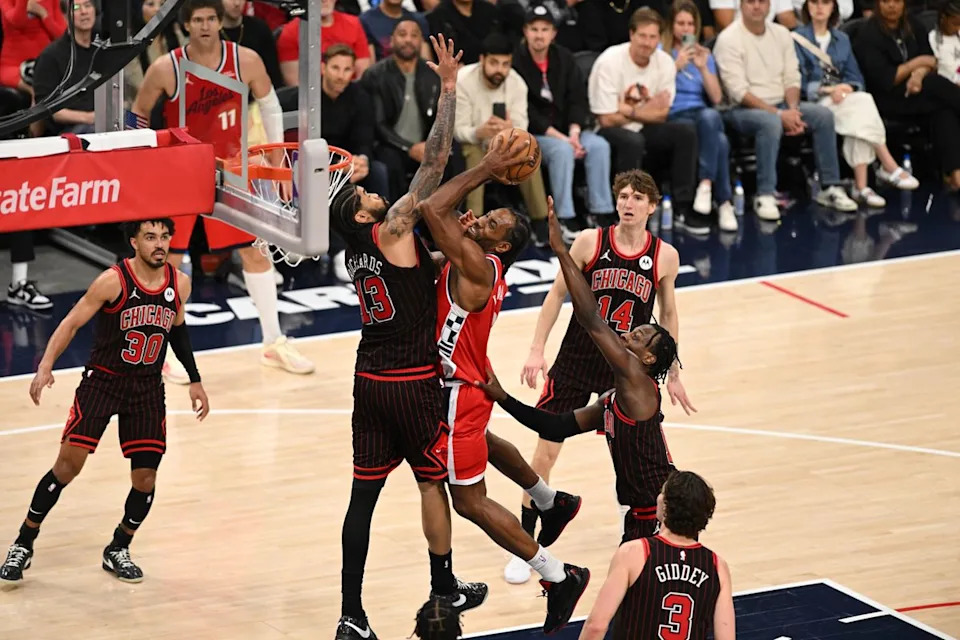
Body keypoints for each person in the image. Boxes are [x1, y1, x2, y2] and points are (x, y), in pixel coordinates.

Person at [328, 35, 487, 640]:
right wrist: (448, 87)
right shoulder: (393, 227)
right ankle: (443, 584)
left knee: (361, 500)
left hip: (367, 381)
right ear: (368, 216)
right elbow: (436, 160)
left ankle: (351, 614)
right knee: (430, 482)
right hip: (411, 381)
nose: (374, 190)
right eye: (366, 195)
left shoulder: (360, 254)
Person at [414, 131, 591, 636]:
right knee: (484, 445)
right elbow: (439, 233)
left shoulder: (475, 264)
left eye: (492, 222)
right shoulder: (479, 260)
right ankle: (549, 497)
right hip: (470, 389)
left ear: (504, 245)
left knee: (468, 500)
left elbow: (430, 208)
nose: (482, 218)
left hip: (455, 395)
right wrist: (463, 231)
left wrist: (488, 167)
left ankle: (557, 575)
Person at [0, 219, 210, 585]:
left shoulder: (180, 283)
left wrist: (195, 380)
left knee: (145, 477)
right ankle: (24, 541)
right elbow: (71, 323)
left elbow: (178, 331)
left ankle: (118, 547)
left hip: (146, 389)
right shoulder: (113, 281)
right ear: (134, 242)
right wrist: (44, 367)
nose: (159, 244)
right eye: (150, 237)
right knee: (68, 466)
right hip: (103, 383)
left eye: (164, 237)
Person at [510, 170, 694, 584]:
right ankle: (525, 545)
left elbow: (667, 316)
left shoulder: (665, 255)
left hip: (626, 371)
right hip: (578, 357)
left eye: (637, 198)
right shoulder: (591, 242)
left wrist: (673, 370)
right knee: (544, 455)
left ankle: (635, 522)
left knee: (632, 457)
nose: (628, 203)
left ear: (652, 205)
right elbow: (557, 295)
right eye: (623, 196)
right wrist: (537, 349)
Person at [479, 198, 681, 545]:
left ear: (648, 359)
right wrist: (502, 398)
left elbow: (590, 317)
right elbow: (552, 424)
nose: (632, 330)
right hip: (646, 508)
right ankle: (531, 537)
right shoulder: (615, 399)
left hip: (658, 512)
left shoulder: (634, 383)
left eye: (641, 334)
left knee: (633, 584)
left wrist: (559, 250)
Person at [132, 0, 315, 379]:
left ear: (219, 22)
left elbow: (270, 105)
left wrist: (278, 157)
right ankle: (160, 349)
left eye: (210, 18)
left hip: (230, 170)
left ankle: (273, 342)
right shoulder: (166, 68)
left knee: (254, 251)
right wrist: (146, 163)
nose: (205, 26)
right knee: (167, 259)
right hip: (180, 171)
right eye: (197, 19)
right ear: (186, 25)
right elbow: (138, 112)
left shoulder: (245, 60)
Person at [714, 0, 858, 221]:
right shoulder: (729, 38)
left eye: (762, 1)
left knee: (823, 116)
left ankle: (830, 187)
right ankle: (765, 194)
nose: (756, 6)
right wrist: (780, 115)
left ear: (769, 5)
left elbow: (792, 77)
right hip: (740, 109)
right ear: (741, 6)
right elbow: (738, 92)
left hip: (783, 103)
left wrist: (792, 110)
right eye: (750, 2)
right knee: (769, 123)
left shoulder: (782, 34)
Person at [579, 471, 735, 640]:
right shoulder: (717, 566)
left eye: (662, 492)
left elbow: (596, 626)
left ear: (666, 506)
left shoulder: (634, 553)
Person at [794, 0, 918, 208]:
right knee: (862, 105)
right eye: (814, 2)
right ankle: (884, 167)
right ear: (807, 7)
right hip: (813, 100)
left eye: (825, 3)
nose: (819, 8)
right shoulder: (795, 38)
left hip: (843, 98)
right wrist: (826, 89)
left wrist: (847, 87)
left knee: (860, 104)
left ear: (834, 7)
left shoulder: (841, 39)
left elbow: (856, 76)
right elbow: (794, 80)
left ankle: (862, 188)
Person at [513, 5, 615, 242]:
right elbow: (526, 109)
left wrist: (575, 132)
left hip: (569, 130)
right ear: (525, 32)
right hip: (537, 133)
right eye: (534, 29)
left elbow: (577, 99)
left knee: (599, 145)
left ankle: (601, 211)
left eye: (545, 29)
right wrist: (564, 139)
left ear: (553, 33)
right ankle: (564, 216)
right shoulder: (517, 61)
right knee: (561, 151)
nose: (539, 35)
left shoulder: (564, 57)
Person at [588, 9, 698, 222]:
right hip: (608, 130)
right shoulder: (609, 61)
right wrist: (647, 108)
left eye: (653, 37)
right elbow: (606, 119)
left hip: (642, 125)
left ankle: (683, 206)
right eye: (642, 36)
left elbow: (662, 114)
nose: (647, 43)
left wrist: (628, 110)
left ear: (659, 38)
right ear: (631, 34)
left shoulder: (664, 62)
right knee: (632, 141)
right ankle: (628, 213)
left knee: (686, 131)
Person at [855, 0, 960, 190]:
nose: (892, 6)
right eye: (886, 1)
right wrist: (916, 65)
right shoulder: (867, 34)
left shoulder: (913, 24)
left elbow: (931, 61)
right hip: (887, 98)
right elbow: (886, 79)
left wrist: (918, 76)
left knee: (944, 110)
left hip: (917, 91)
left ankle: (955, 174)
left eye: (897, 1)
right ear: (878, 4)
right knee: (938, 87)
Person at [362, 19, 465, 201]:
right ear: (391, 40)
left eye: (414, 35)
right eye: (402, 35)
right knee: (389, 162)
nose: (408, 40)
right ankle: (394, 221)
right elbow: (378, 125)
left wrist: (432, 145)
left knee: (454, 155)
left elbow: (440, 117)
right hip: (391, 145)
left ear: (421, 41)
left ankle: (447, 217)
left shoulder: (432, 73)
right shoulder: (375, 75)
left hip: (426, 143)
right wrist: (409, 148)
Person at [454, 33, 549, 228]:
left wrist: (510, 129)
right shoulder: (463, 80)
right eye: (494, 63)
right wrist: (479, 132)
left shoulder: (517, 83)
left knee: (527, 151)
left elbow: (523, 125)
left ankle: (541, 222)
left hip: (505, 142)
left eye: (505, 64)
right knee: (474, 156)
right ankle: (473, 222)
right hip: (473, 142)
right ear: (482, 60)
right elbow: (458, 130)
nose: (500, 70)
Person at [665, 0, 736, 234]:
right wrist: (675, 66)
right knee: (720, 139)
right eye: (680, 23)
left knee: (711, 118)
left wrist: (704, 68)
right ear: (671, 25)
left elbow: (716, 97)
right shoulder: (661, 53)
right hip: (674, 115)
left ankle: (708, 187)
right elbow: (655, 91)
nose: (685, 29)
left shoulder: (705, 54)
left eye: (690, 24)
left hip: (702, 115)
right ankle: (723, 201)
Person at [32, 0, 96, 133]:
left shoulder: (103, 51)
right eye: (76, 7)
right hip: (68, 131)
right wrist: (90, 118)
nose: (84, 12)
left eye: (88, 5)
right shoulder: (50, 56)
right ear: (65, 16)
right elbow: (49, 110)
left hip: (101, 123)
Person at [277, 0, 373, 84]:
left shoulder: (354, 24)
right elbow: (295, 84)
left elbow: (362, 76)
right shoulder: (290, 32)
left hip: (350, 96)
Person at [0, 0, 64, 94]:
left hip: (44, 62)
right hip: (13, 65)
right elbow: (18, 22)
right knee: (38, 88)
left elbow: (62, 35)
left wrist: (44, 14)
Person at [929, 0, 960, 86]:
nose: (958, 28)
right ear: (943, 18)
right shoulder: (933, 38)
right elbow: (942, 67)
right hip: (948, 84)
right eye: (955, 24)